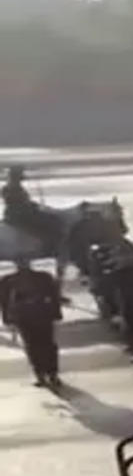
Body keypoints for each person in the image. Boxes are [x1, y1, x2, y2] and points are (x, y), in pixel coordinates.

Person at [0, 257, 62, 387]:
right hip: (33, 316)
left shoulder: (9, 280)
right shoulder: (43, 277)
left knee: (40, 346)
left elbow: (54, 296)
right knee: (40, 346)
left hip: (33, 316)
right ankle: (46, 374)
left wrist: (7, 318)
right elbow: (4, 302)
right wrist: (6, 318)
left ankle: (47, 374)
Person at [2, 166, 62, 261]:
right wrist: (32, 206)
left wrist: (35, 205)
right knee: (50, 222)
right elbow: (19, 203)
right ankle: (49, 245)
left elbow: (25, 202)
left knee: (50, 218)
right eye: (19, 176)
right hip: (19, 215)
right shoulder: (10, 188)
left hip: (22, 212)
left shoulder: (13, 187)